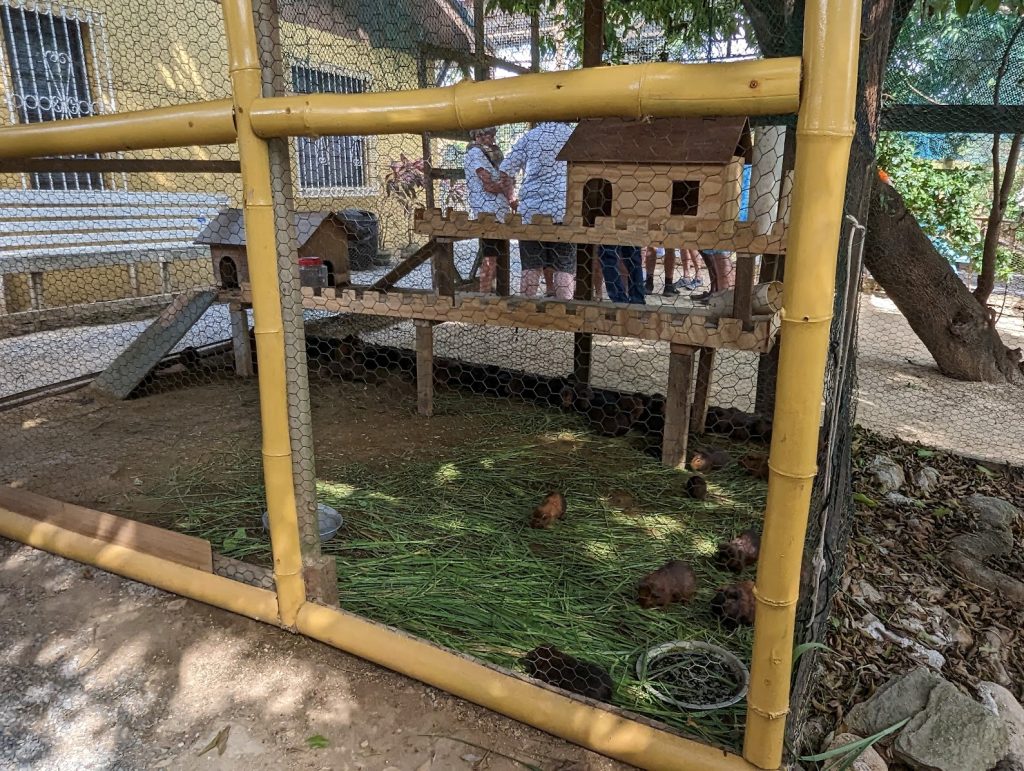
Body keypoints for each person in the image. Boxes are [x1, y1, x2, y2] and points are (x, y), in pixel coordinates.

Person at [498, 121, 576, 300]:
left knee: (531, 265)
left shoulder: (530, 136)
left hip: (532, 211)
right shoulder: (572, 135)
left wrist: (512, 199)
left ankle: (525, 313)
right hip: (563, 209)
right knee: (564, 266)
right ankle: (564, 314)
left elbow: (505, 171)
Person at [464, 126, 512, 293]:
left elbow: (505, 180)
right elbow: (489, 184)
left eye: (492, 134)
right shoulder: (475, 153)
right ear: (477, 136)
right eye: (485, 134)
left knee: (497, 255)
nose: (490, 138)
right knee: (490, 257)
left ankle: (495, 293)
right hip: (488, 212)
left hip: (499, 212)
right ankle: (484, 296)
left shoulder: (494, 154)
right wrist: (503, 185)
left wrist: (504, 185)